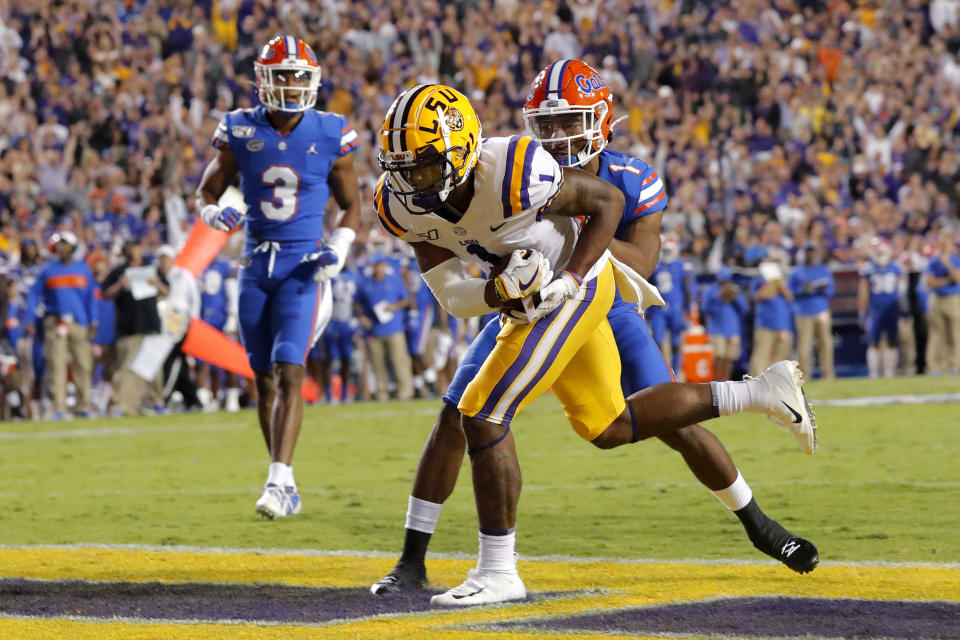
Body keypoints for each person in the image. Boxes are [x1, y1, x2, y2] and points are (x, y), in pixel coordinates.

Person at [369, 81, 818, 606]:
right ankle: (761, 393)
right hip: (524, 302)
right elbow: (450, 293)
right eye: (401, 168)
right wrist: (499, 290)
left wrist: (569, 279)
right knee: (607, 427)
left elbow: (610, 207)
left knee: (483, 413)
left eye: (422, 166)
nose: (410, 181)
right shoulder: (400, 203)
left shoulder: (521, 169)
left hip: (576, 286)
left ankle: (498, 571)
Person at [195, 35, 361, 519]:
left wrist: (341, 246)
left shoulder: (331, 132)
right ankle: (282, 477)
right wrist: (211, 213)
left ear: (312, 81)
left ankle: (279, 479)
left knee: (291, 368)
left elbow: (353, 206)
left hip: (304, 265)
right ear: (262, 80)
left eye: (296, 75)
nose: (288, 84)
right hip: (253, 266)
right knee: (262, 377)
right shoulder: (239, 128)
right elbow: (209, 187)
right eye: (280, 75)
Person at [25, 231, 97, 419]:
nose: (60, 247)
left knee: (83, 364)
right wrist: (30, 319)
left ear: (73, 247)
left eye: (65, 244)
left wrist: (93, 320)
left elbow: (91, 298)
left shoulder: (83, 270)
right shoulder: (48, 270)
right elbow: (33, 295)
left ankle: (83, 405)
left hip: (78, 322)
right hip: (55, 321)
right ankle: (59, 407)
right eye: (59, 244)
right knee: (56, 365)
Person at [101, 238, 168, 416]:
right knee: (125, 367)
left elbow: (167, 290)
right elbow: (105, 293)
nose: (133, 252)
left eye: (136, 247)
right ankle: (120, 404)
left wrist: (158, 284)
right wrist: (119, 286)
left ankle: (156, 402)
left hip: (151, 324)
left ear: (141, 249)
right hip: (129, 327)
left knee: (154, 367)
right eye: (130, 248)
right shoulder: (119, 272)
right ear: (125, 251)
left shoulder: (151, 269)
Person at [357, 252, 413, 401]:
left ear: (385, 265)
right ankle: (382, 393)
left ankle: (405, 392)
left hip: (394, 328)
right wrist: (362, 317)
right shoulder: (366, 283)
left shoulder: (394, 280)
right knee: (378, 363)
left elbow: (406, 300)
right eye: (376, 265)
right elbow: (357, 302)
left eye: (380, 265)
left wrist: (394, 307)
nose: (378, 268)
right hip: (375, 330)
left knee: (399, 361)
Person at [646, 233, 693, 374]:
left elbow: (688, 290)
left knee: (676, 341)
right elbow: (650, 287)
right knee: (658, 340)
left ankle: (676, 371)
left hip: (676, 307)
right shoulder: (656, 266)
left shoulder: (682, 266)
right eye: (665, 251)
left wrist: (687, 310)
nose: (666, 254)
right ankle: (660, 371)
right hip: (659, 308)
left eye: (669, 251)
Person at [788, 244, 836, 380]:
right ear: (804, 254)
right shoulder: (796, 272)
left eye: (813, 252)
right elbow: (789, 293)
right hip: (803, 312)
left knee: (826, 343)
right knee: (804, 347)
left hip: (821, 310)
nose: (810, 255)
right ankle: (805, 376)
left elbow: (831, 291)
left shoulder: (823, 270)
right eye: (808, 252)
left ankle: (828, 374)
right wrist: (802, 290)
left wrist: (817, 288)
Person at [858, 239, 902, 378]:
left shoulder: (896, 267)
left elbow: (901, 291)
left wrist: (903, 309)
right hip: (875, 310)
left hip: (891, 309)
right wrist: (862, 311)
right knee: (874, 342)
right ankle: (874, 374)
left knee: (892, 342)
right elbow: (863, 292)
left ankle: (889, 373)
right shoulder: (868, 268)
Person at [749, 250, 794, 375]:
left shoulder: (784, 280)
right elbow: (755, 297)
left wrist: (781, 287)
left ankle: (775, 386)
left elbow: (790, 297)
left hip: (783, 324)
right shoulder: (758, 280)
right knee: (761, 358)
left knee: (780, 360)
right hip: (765, 325)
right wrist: (769, 287)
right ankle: (756, 385)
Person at [923, 231, 960, 375]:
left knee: (956, 333)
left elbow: (958, 278)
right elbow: (929, 281)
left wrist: (948, 264)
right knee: (937, 334)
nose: (945, 246)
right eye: (942, 243)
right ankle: (935, 367)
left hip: (954, 299)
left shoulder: (956, 260)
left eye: (947, 243)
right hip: (937, 298)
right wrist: (946, 281)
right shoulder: (933, 261)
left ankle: (956, 365)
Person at [702, 267, 747, 381]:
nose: (725, 283)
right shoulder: (711, 290)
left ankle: (726, 382)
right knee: (719, 357)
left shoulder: (734, 290)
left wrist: (735, 297)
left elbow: (745, 308)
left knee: (729, 358)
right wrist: (717, 297)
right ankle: (716, 382)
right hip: (716, 329)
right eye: (723, 280)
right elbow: (704, 309)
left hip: (732, 329)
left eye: (727, 280)